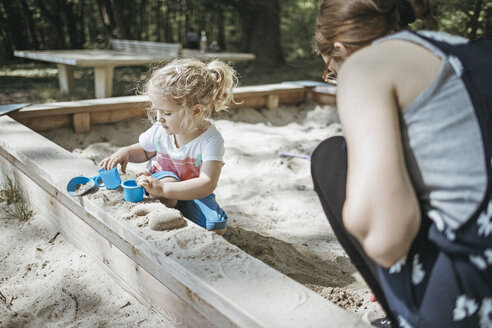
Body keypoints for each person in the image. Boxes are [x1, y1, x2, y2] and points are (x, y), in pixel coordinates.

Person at [311, 0, 492, 327]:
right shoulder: (469, 49)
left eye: (331, 72)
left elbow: (386, 243)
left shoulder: (366, 65)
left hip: (475, 293)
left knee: (332, 159)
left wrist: (358, 209)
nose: (336, 77)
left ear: (338, 47)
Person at [100, 58, 237, 235]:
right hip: (162, 182)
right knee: (168, 187)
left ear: (196, 111)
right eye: (156, 110)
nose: (158, 118)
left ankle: (178, 207)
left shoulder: (211, 140)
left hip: (192, 191)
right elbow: (144, 150)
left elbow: (207, 183)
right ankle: (165, 210)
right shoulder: (160, 130)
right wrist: (125, 153)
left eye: (167, 113)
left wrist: (166, 190)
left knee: (216, 227)